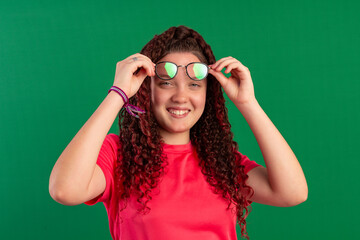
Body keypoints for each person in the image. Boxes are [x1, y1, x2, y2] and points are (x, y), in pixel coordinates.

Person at [49, 25, 308, 240]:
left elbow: (292, 192)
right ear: (145, 88)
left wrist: (247, 103)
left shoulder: (220, 162)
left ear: (208, 93)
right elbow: (65, 190)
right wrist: (119, 93)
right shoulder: (119, 155)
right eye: (166, 83)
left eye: (194, 85)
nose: (181, 96)